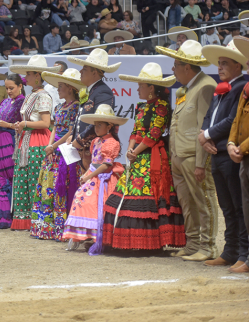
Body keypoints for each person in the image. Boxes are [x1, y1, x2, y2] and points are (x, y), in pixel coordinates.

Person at [103, 63, 186, 251]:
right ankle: (133, 241)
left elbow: (154, 134)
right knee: (129, 192)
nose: (137, 88)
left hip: (152, 157)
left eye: (141, 85)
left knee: (151, 194)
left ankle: (152, 242)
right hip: (138, 155)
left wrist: (135, 151)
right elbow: (135, 131)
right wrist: (130, 150)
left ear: (151, 88)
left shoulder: (162, 107)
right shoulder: (140, 107)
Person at [155, 40, 218, 262]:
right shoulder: (186, 88)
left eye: (175, 65)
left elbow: (205, 126)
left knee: (203, 200)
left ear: (187, 67)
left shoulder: (206, 86)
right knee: (187, 202)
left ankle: (208, 246)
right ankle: (192, 244)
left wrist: (201, 162)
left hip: (193, 156)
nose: (173, 70)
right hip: (180, 156)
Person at [198, 40, 248, 269]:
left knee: (238, 206)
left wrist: (207, 135)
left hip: (232, 153)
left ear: (238, 65)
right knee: (227, 206)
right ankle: (230, 251)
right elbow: (210, 116)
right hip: (219, 152)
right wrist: (206, 136)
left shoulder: (242, 86)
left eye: (224, 63)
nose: (219, 67)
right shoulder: (223, 88)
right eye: (218, 63)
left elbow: (232, 122)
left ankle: (241, 253)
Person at [62, 105, 126, 254]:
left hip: (104, 179)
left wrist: (89, 176)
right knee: (81, 199)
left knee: (97, 206)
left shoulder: (112, 143)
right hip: (93, 176)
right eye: (95, 125)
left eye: (99, 125)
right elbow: (94, 162)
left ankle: (100, 238)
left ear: (109, 126)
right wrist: (86, 174)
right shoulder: (95, 141)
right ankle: (86, 236)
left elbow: (106, 165)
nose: (96, 128)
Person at [31, 68, 84, 240]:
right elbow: (54, 127)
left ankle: (59, 226)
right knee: (48, 186)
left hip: (64, 150)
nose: (58, 89)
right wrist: (49, 145)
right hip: (54, 148)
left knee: (60, 186)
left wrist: (53, 146)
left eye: (61, 86)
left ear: (70, 88)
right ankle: (47, 225)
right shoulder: (60, 106)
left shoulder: (76, 107)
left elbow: (71, 131)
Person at [7, 55, 59, 230]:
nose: (25, 77)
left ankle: (36, 219)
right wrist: (22, 126)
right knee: (24, 178)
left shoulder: (43, 95)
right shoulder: (32, 95)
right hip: (26, 141)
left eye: (28, 74)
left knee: (34, 179)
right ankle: (25, 219)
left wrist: (25, 124)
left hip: (37, 141)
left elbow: (46, 123)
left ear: (37, 76)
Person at [67, 49, 120, 170]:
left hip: (93, 150)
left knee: (92, 185)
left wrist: (79, 140)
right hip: (85, 149)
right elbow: (83, 118)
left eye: (84, 69)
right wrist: (74, 135)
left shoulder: (102, 91)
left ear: (94, 73)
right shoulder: (92, 91)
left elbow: (100, 121)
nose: (80, 71)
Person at [225, 36, 249, 273]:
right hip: (243, 155)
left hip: (244, 152)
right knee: (245, 206)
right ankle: (246, 255)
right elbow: (237, 121)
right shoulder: (246, 88)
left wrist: (241, 146)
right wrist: (232, 142)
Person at [0, 73, 25, 181]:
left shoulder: (24, 102)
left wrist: (8, 125)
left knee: (11, 171)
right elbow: (2, 118)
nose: (8, 91)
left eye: (11, 88)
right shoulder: (4, 101)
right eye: (6, 88)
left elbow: (26, 125)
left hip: (14, 140)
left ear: (20, 86)